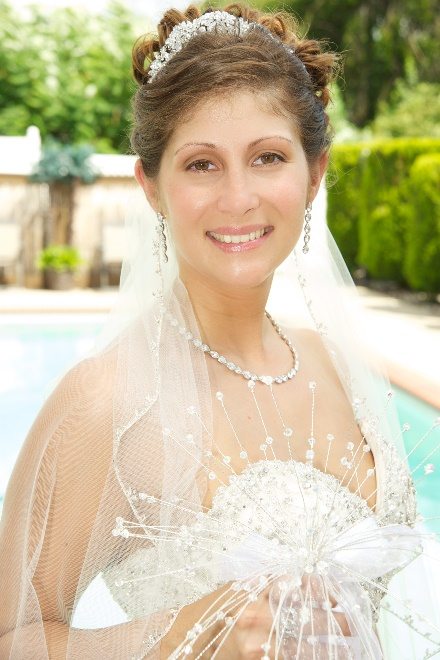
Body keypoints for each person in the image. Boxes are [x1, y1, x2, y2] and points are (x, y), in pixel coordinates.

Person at [0, 3, 439, 658]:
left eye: (267, 157)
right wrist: (175, 635)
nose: (238, 197)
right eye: (202, 164)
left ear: (314, 173)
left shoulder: (340, 366)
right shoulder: (107, 403)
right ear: (151, 185)